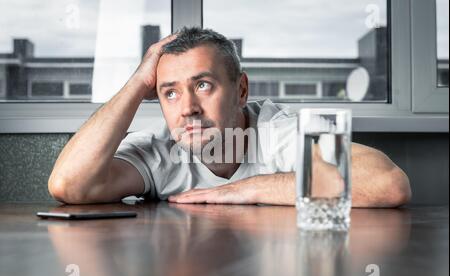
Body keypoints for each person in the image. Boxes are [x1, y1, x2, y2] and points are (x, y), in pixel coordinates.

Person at [48, 27, 411, 207]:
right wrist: (137, 83)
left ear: (240, 91)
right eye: (169, 92)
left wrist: (245, 189)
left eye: (202, 85)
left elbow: (388, 183)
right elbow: (69, 185)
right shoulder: (160, 149)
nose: (187, 107)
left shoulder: (278, 130)